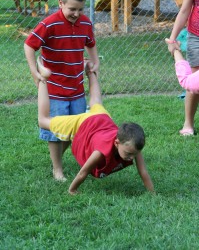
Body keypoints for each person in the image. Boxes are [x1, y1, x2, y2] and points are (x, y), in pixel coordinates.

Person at [37, 57, 154, 195]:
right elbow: (83, 172)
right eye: (128, 154)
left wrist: (153, 194)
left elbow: (143, 172)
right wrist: (72, 189)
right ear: (116, 142)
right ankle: (43, 78)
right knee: (43, 121)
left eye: (133, 155)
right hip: (84, 122)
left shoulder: (133, 146)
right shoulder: (100, 151)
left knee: (96, 101)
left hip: (102, 118)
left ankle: (89, 71)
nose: (131, 157)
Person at [24, 0, 100, 181]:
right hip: (55, 90)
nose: (76, 13)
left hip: (77, 88)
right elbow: (29, 45)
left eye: (80, 9)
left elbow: (91, 43)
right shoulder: (49, 23)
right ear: (60, 3)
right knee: (56, 131)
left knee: (76, 129)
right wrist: (35, 71)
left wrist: (94, 62)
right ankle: (57, 169)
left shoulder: (85, 23)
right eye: (72, 9)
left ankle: (57, 159)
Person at [165, 0, 199, 136]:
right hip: (196, 37)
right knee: (193, 83)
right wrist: (172, 39)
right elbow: (185, 10)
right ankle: (188, 124)